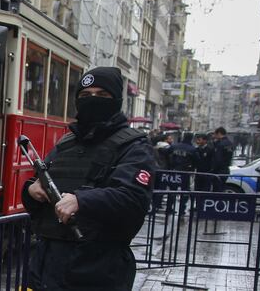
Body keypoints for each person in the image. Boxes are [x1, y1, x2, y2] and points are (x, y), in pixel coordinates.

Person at [21, 67, 156, 290]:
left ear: (116, 100)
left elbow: (133, 198)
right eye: (85, 95)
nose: (92, 100)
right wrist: (31, 190)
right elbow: (40, 186)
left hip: (97, 269)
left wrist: (81, 201)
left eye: (102, 95)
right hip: (46, 266)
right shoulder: (66, 143)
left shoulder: (134, 146)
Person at [167, 132, 199, 216]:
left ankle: (169, 208)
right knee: (184, 192)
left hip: (174, 171)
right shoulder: (192, 149)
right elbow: (197, 161)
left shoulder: (175, 146)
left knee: (172, 191)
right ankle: (182, 210)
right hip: (185, 172)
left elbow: (167, 153)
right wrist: (192, 168)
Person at [211, 127, 234, 191]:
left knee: (216, 189)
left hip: (219, 170)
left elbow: (218, 159)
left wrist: (213, 169)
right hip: (226, 169)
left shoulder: (220, 144)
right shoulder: (230, 143)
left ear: (219, 133)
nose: (214, 136)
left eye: (215, 134)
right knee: (222, 188)